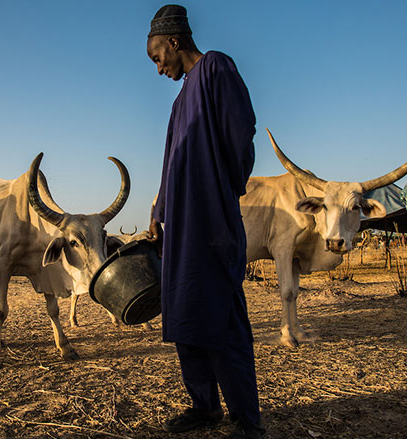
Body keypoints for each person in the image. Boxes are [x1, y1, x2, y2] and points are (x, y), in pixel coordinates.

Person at [145, 5, 265, 439]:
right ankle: (204, 406)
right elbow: (171, 161)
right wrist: (160, 211)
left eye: (158, 57)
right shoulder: (180, 101)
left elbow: (241, 131)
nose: (159, 68)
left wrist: (219, 187)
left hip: (211, 219)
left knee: (221, 315)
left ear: (174, 41)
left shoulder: (216, 67)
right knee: (185, 311)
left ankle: (246, 420)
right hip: (180, 225)